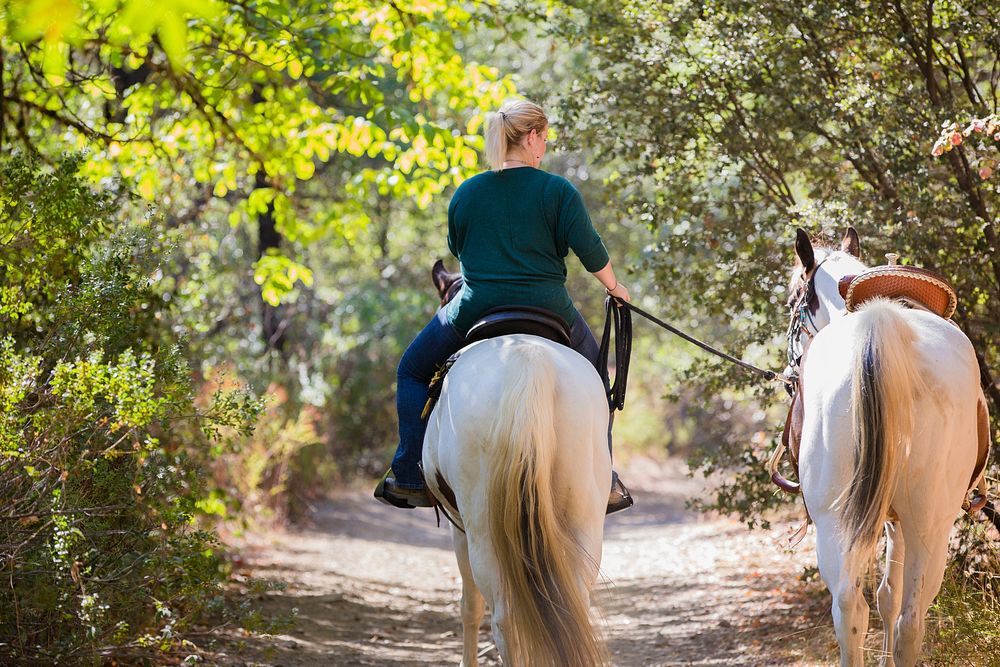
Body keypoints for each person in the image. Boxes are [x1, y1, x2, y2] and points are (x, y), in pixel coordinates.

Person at [375, 98, 633, 512]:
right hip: (550, 306)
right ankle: (605, 478)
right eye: (544, 139)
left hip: (477, 307)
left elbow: (458, 250)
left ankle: (408, 473)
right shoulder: (558, 191)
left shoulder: (468, 192)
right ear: (531, 137)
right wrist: (615, 287)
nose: (544, 148)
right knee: (596, 377)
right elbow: (591, 252)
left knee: (411, 369)